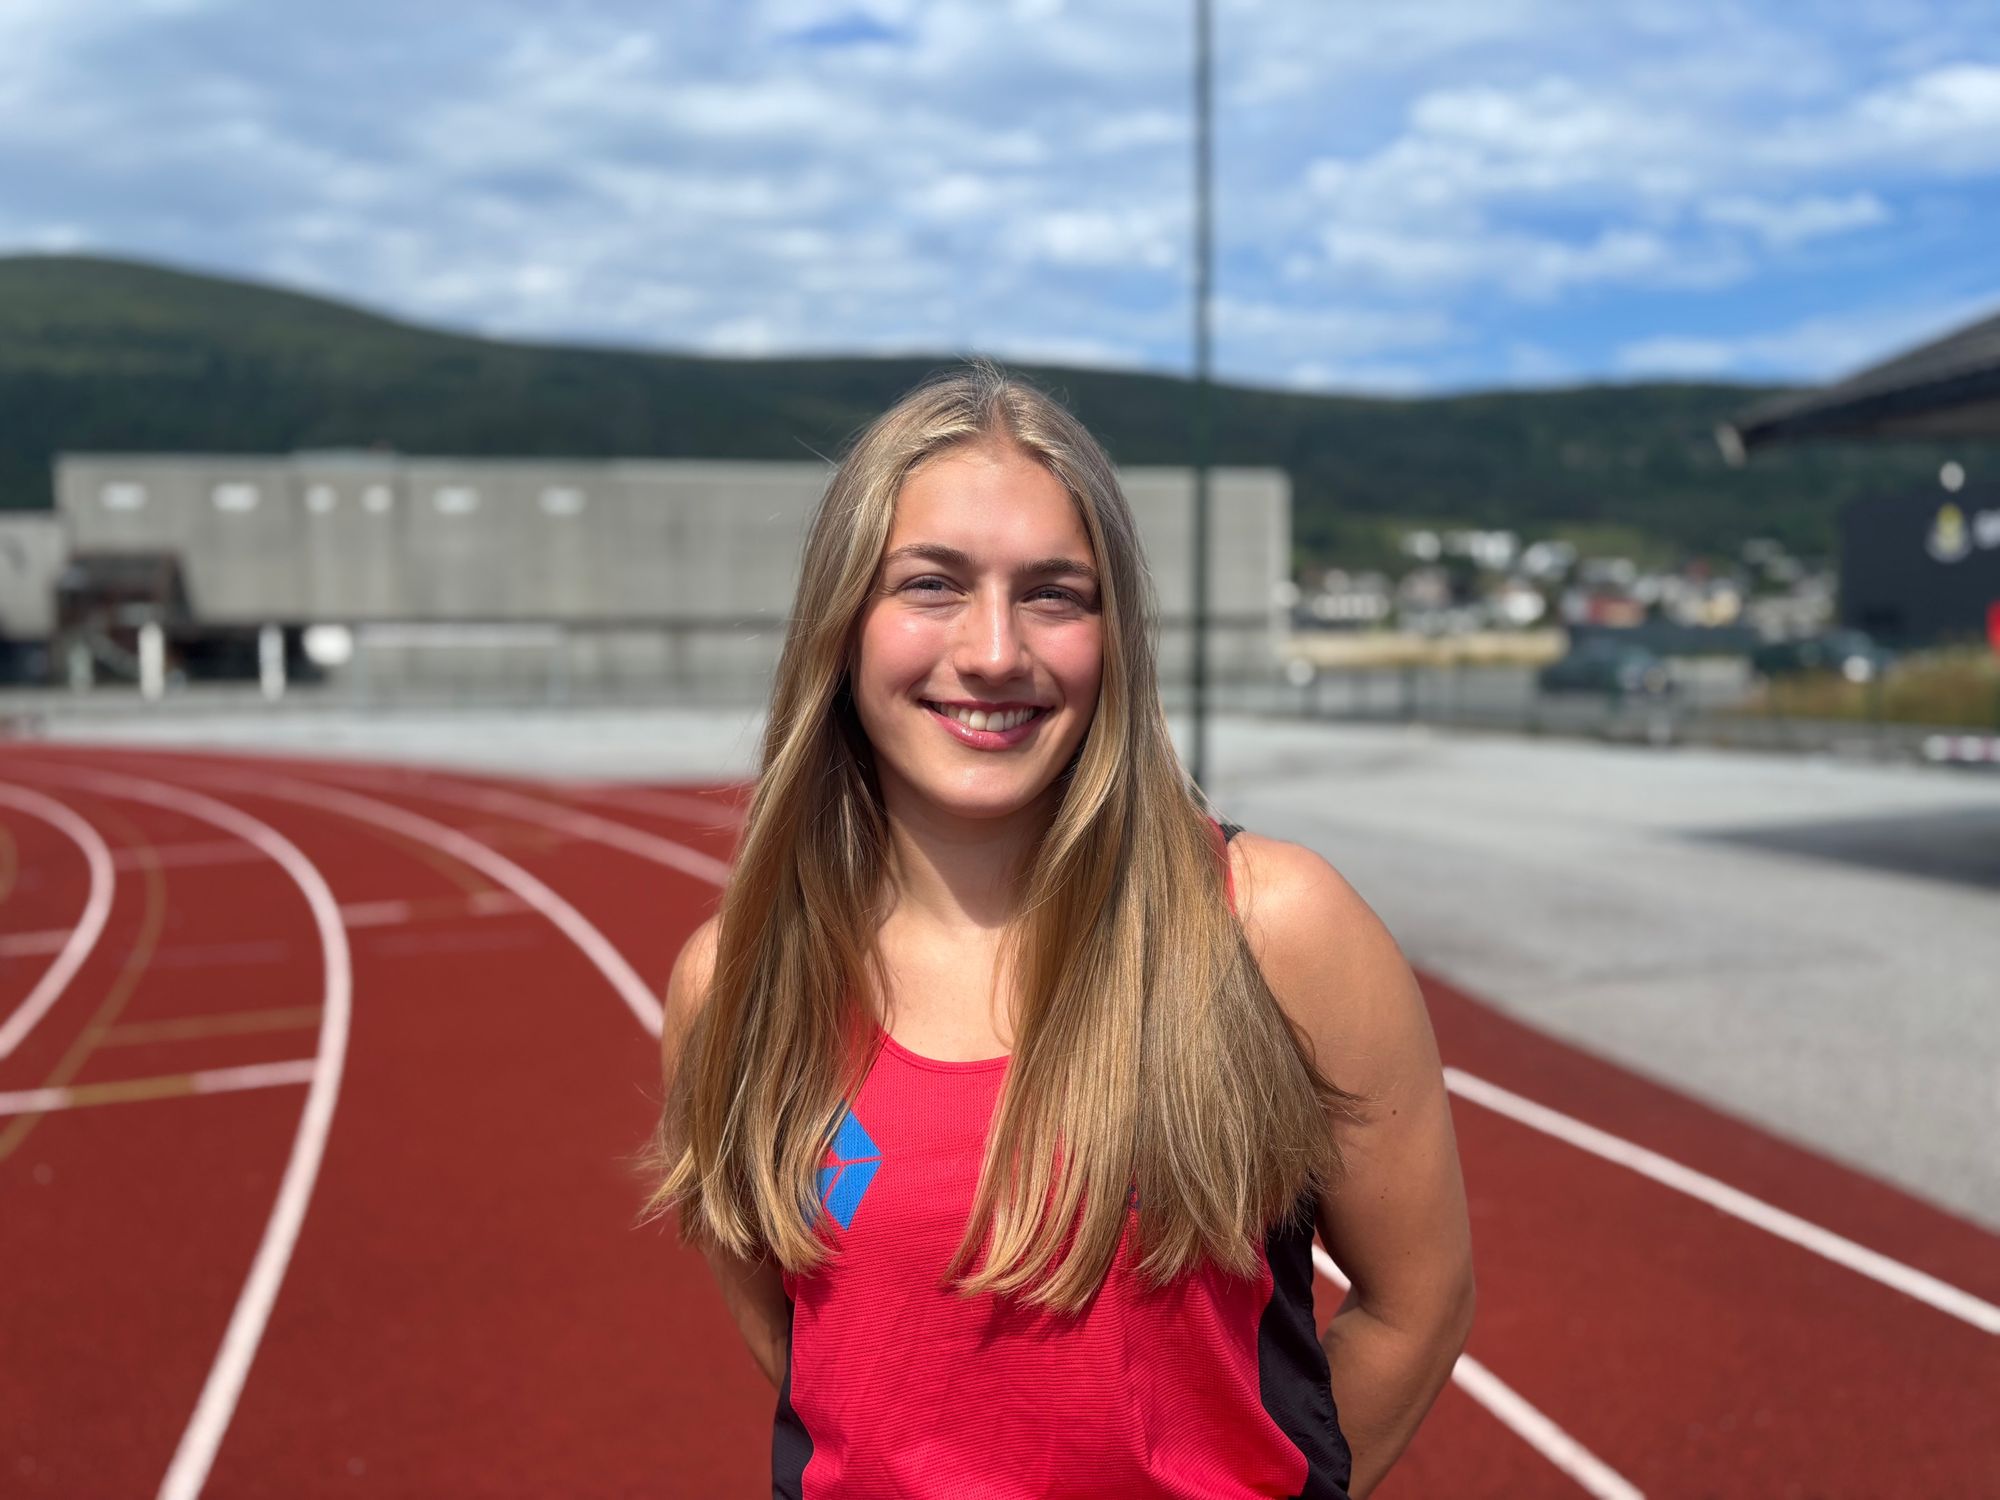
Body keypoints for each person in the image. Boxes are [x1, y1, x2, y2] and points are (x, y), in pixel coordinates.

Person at [643, 363, 1474, 1499]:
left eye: (1052, 594)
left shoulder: (1270, 930)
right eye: (930, 585)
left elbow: (1414, 1305)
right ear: (841, 623)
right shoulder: (732, 984)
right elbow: (798, 1339)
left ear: (1112, 635)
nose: (992, 651)